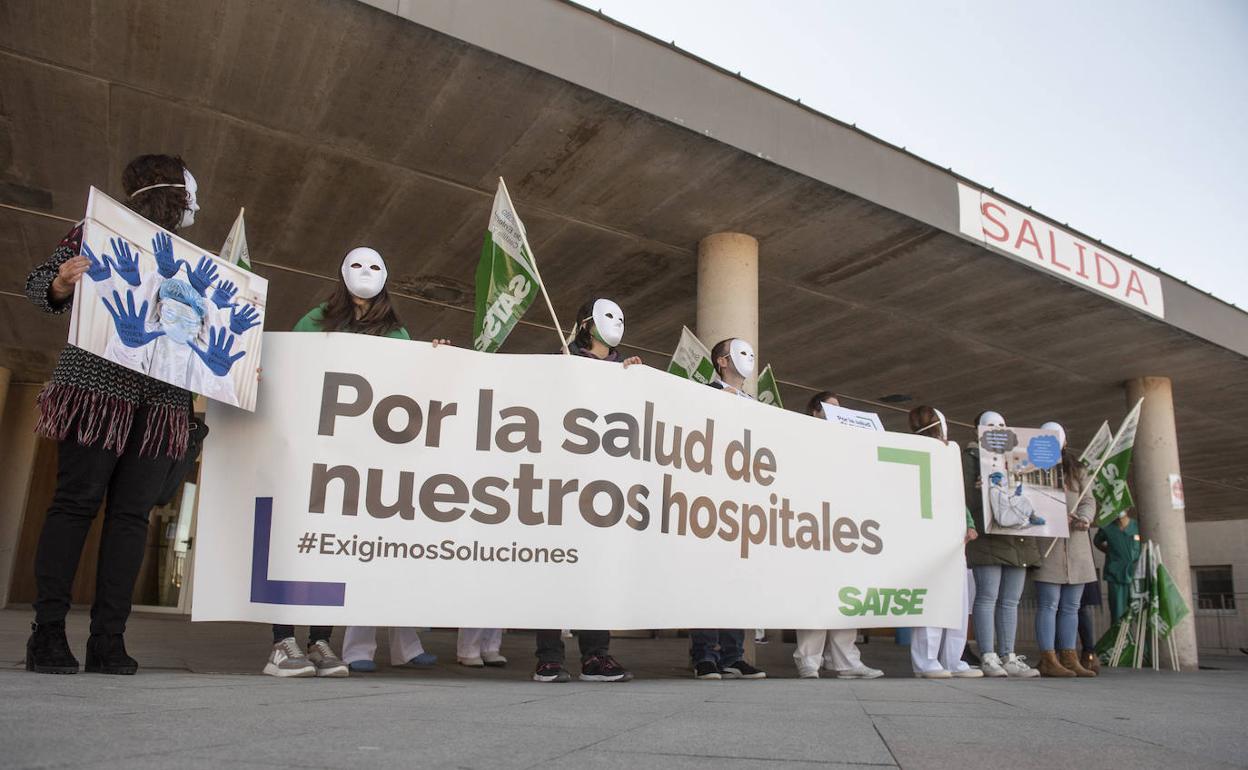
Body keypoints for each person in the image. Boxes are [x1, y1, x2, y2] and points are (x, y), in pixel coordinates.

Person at [24, 154, 201, 675]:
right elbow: (39, 285)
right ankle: (48, 633)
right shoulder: (94, 231)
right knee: (76, 503)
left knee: (130, 518)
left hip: (162, 401)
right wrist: (61, 283)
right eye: (191, 195)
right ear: (174, 193)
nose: (195, 206)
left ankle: (109, 638)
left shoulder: (193, 257)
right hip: (98, 389)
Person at [266, 246, 444, 678]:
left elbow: (405, 391)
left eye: (375, 266)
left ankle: (320, 640)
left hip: (357, 460)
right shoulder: (314, 321)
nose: (366, 273)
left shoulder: (397, 334)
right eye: (358, 265)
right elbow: (288, 370)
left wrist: (434, 359)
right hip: (313, 449)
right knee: (296, 544)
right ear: (342, 272)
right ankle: (282, 641)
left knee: (332, 548)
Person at [532, 298, 638, 684]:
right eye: (609, 315)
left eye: (621, 316)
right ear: (586, 324)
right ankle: (548, 658)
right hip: (561, 481)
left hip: (605, 486)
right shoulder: (561, 359)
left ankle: (596, 656)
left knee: (597, 572)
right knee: (554, 568)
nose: (617, 323)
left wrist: (637, 382)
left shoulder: (629, 370)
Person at [686, 338, 768, 681]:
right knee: (707, 580)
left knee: (738, 580)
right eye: (739, 352)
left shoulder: (757, 405)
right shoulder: (700, 394)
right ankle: (704, 656)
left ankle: (734, 655)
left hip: (744, 502)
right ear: (722, 361)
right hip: (710, 499)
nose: (747, 359)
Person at [788, 391, 884, 680]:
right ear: (814, 412)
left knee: (848, 592)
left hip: (849, 525)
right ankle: (808, 659)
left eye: (841, 409)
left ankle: (846, 661)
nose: (837, 414)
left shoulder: (852, 444)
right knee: (816, 592)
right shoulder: (799, 436)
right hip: (812, 523)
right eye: (830, 409)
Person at [907, 406, 983, 679]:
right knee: (932, 598)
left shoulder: (948, 455)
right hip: (927, 538)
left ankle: (953, 659)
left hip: (953, 539)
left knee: (958, 601)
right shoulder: (912, 450)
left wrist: (969, 525)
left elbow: (955, 496)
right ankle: (926, 661)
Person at [966, 411, 1042, 678]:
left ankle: (1008, 655)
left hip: (1017, 537)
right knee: (987, 597)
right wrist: (975, 489)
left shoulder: (1020, 458)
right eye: (989, 425)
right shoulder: (968, 460)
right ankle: (988, 654)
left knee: (1011, 600)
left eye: (1001, 425)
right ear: (977, 429)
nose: (996, 429)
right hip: (988, 537)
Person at [1032, 425, 1097, 678]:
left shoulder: (1077, 469)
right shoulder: (1032, 468)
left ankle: (1069, 656)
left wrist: (1084, 518)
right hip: (1049, 545)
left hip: (1077, 546)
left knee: (1071, 605)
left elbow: (1089, 499)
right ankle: (1048, 657)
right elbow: (1030, 501)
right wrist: (1056, 516)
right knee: (1048, 604)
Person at [1094, 511, 1141, 623]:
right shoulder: (1107, 527)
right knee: (1118, 615)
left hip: (1136, 574)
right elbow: (1097, 541)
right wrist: (1110, 552)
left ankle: (1140, 641)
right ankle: (1120, 640)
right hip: (1115, 575)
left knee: (1140, 614)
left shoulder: (1137, 526)